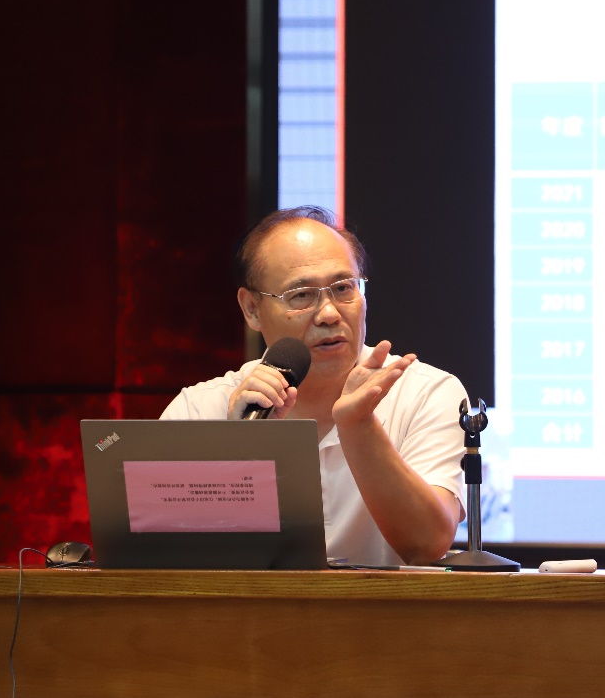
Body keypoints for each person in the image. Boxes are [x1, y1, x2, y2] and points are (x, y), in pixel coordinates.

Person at [160, 206, 468, 566]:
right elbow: (162, 559)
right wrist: (239, 447)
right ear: (252, 309)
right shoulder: (198, 410)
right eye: (302, 295)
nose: (329, 314)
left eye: (343, 288)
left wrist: (359, 425)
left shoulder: (426, 393)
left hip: (381, 605)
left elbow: (426, 545)